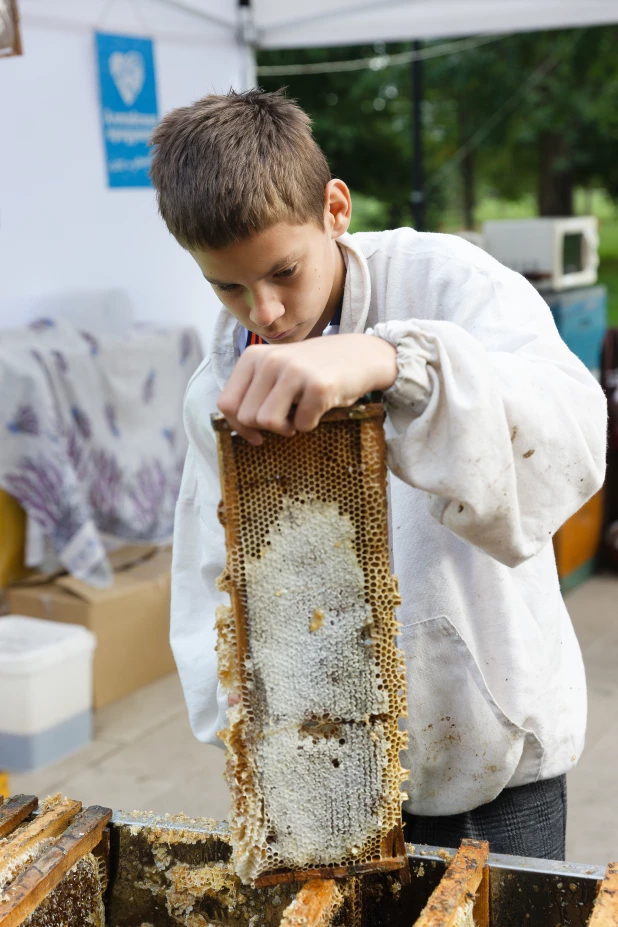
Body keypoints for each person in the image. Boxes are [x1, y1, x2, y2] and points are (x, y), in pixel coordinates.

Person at [150, 89, 606, 860]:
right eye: (227, 287)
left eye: (284, 271)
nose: (265, 309)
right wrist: (246, 721)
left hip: (494, 757)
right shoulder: (221, 383)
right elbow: (210, 580)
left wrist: (396, 360)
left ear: (334, 208)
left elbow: (574, 434)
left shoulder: (448, 282)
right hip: (328, 771)